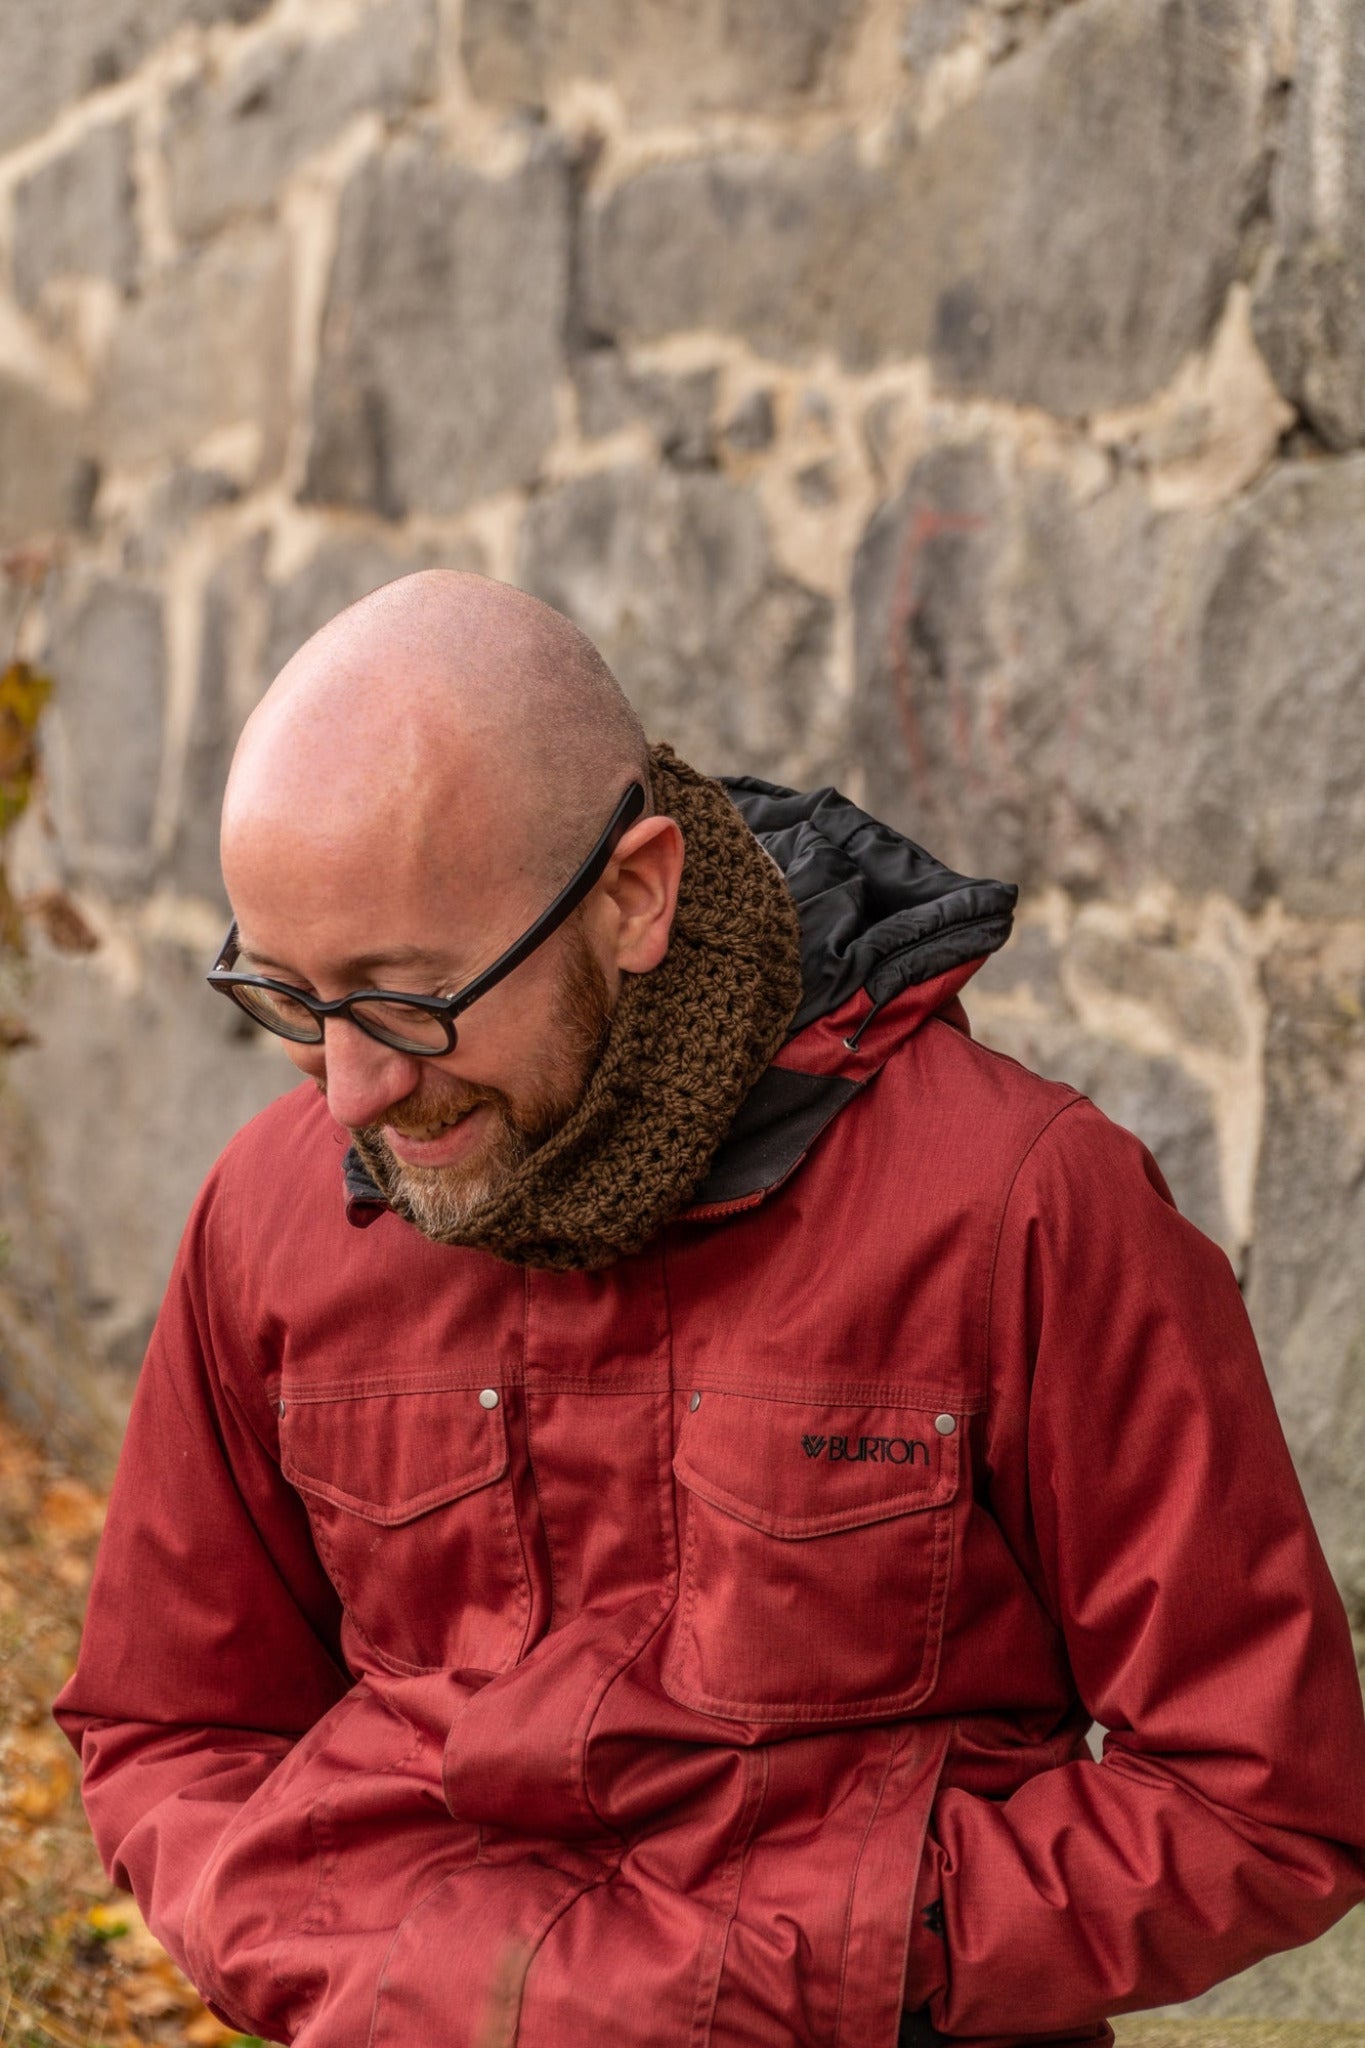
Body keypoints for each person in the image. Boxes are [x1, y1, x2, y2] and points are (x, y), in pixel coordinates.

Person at [56, 571, 1365, 2048]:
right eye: (288, 1000)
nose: (350, 1093)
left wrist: (805, 1965)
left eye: (408, 1000)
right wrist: (368, 1965)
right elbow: (166, 1728)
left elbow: (1260, 1801)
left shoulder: (1019, 1206)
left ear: (633, 896)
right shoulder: (269, 1207)